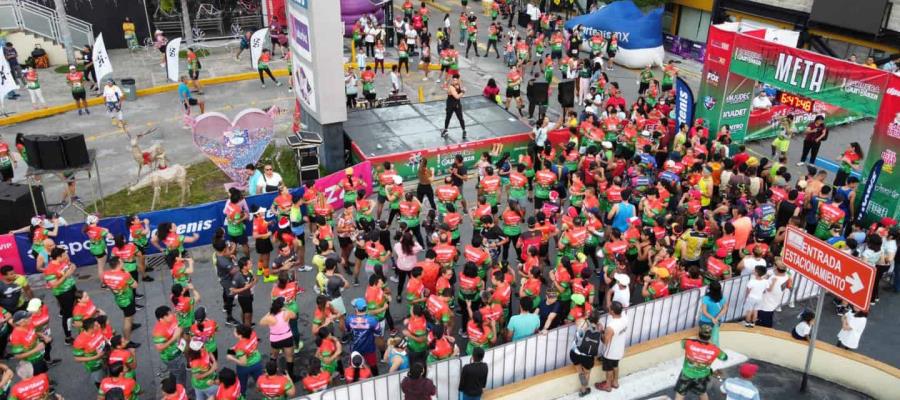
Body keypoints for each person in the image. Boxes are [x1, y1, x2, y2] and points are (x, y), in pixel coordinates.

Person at [674, 325, 727, 400]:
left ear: (698, 335)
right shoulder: (715, 349)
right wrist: (713, 346)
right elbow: (724, 357)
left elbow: (682, 342)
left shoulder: (688, 343)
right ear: (710, 337)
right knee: (702, 393)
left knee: (680, 394)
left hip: (686, 374)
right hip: (702, 376)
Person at [259, 297, 298, 381]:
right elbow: (294, 315)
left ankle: (271, 373)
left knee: (274, 356)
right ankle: (291, 376)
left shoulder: (270, 317)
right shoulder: (286, 313)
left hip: (275, 339)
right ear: (281, 307)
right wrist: (286, 309)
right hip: (287, 337)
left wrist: (269, 312)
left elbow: (261, 322)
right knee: (289, 357)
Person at [153, 306, 188, 389]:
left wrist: (181, 332)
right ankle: (181, 390)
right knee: (180, 376)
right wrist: (174, 338)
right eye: (168, 315)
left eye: (171, 313)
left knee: (176, 372)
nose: (172, 315)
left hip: (179, 350)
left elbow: (180, 327)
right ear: (161, 318)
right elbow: (159, 348)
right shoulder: (158, 331)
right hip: (171, 357)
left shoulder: (173, 319)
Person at [595, 301, 627, 392]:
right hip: (619, 349)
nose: (608, 308)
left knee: (609, 369)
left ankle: (608, 386)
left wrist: (601, 331)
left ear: (612, 311)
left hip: (610, 353)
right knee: (615, 365)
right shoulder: (624, 317)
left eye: (609, 308)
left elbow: (605, 341)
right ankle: (615, 382)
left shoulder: (611, 326)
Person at [346, 297, 382, 376]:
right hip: (369, 348)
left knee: (355, 365)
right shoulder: (373, 320)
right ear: (366, 308)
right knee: (373, 365)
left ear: (356, 309)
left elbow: (348, 330)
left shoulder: (349, 319)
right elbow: (378, 333)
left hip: (355, 348)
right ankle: (376, 378)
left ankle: (356, 379)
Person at [569, 311, 601, 397]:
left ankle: (582, 381)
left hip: (574, 353)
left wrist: (585, 317)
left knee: (580, 372)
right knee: (587, 373)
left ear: (588, 316)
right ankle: (583, 390)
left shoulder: (581, 322)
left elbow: (576, 321)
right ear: (598, 320)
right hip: (587, 357)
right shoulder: (599, 328)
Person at [226, 324, 264, 395]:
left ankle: (242, 395)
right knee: (259, 379)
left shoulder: (240, 348)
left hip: (245, 368)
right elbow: (251, 344)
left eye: (235, 332)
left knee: (242, 384)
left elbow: (243, 363)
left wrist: (231, 358)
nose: (233, 332)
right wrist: (234, 348)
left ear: (240, 335)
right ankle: (263, 390)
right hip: (257, 362)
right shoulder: (253, 334)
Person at [441, 74, 467, 139]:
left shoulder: (459, 84)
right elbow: (457, 97)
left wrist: (462, 90)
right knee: (448, 117)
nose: (454, 81)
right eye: (453, 80)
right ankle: (445, 129)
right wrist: (463, 92)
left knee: (460, 118)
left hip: (457, 104)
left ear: (458, 80)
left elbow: (459, 93)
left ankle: (464, 130)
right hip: (450, 104)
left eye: (456, 80)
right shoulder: (451, 87)